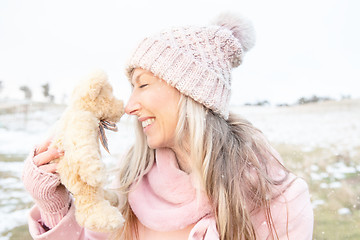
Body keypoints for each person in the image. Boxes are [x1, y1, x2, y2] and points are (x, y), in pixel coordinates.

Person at [22, 13, 314, 240]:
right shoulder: (130, 182)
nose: (129, 106)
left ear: (192, 94)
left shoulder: (279, 199)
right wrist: (53, 204)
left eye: (144, 84)